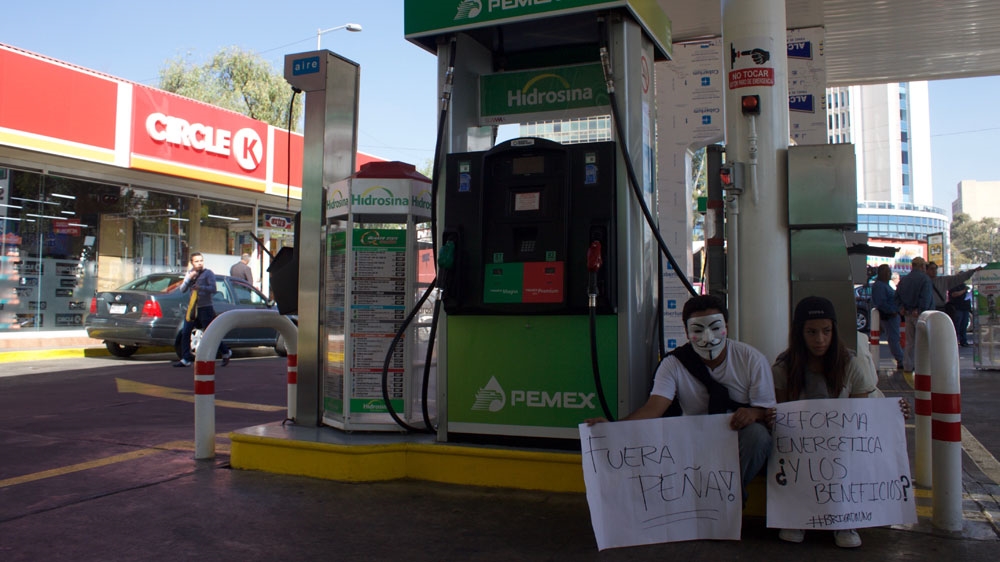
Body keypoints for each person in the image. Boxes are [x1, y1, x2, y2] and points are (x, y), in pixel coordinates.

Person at [586, 294, 775, 506]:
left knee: (758, 436)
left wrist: (752, 414)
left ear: (726, 327)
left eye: (714, 328)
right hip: (693, 439)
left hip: (735, 438)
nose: (707, 337)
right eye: (697, 330)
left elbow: (767, 412)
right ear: (686, 332)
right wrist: (613, 429)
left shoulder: (752, 360)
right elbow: (653, 409)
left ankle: (727, 494)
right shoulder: (673, 364)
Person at [772, 296, 910, 548]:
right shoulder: (783, 367)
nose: (820, 339)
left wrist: (892, 413)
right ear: (799, 333)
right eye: (811, 332)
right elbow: (781, 415)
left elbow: (861, 416)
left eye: (826, 331)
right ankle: (796, 513)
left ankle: (845, 517)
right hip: (798, 446)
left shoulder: (851, 364)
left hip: (843, 445)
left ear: (834, 330)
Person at [173, 252, 232, 368]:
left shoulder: (208, 273)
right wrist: (189, 279)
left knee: (210, 332)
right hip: (193, 308)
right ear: (192, 263)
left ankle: (225, 352)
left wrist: (201, 288)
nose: (199, 263)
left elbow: (213, 289)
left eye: (201, 261)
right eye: (196, 261)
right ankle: (186, 359)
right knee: (185, 332)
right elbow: (182, 289)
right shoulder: (190, 274)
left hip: (205, 308)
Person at [894, 257, 933, 373]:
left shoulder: (905, 279)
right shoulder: (925, 279)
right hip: (921, 315)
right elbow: (926, 297)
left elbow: (896, 296)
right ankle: (922, 367)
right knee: (923, 341)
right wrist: (920, 309)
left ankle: (907, 365)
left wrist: (901, 308)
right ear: (922, 266)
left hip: (907, 314)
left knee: (909, 342)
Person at [871, 264, 904, 369]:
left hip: (893, 315)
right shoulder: (880, 286)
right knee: (893, 339)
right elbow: (880, 303)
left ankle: (901, 359)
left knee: (895, 338)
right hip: (889, 316)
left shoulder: (885, 285)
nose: (889, 274)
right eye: (887, 272)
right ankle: (901, 360)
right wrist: (892, 311)